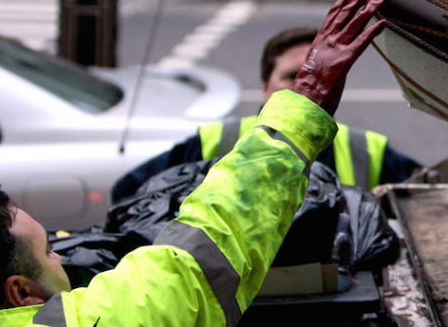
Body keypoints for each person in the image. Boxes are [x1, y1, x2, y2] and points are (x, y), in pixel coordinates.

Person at [0, 0, 384, 327]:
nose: (63, 253)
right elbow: (205, 245)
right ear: (20, 292)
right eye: (49, 252)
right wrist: (307, 101)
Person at [112, 25, 420, 202]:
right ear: (264, 87)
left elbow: (429, 201)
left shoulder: (368, 151)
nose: (305, 88)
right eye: (292, 77)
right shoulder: (214, 141)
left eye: (317, 77)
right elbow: (128, 193)